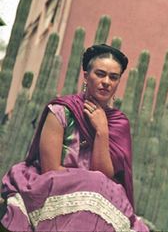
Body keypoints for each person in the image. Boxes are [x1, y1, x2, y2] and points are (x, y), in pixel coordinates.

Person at [0, 44, 149, 232]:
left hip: (97, 197)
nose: (106, 82)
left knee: (100, 188)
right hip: (54, 189)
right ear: (86, 76)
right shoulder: (62, 111)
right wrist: (87, 184)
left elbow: (102, 174)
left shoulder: (118, 123)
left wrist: (102, 130)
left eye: (113, 77)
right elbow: (50, 169)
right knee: (94, 184)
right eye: (100, 74)